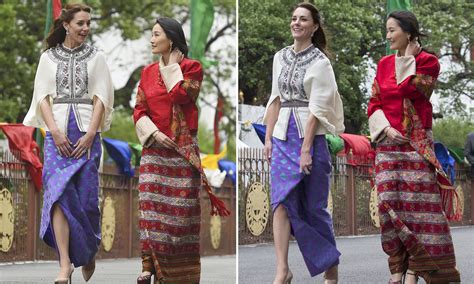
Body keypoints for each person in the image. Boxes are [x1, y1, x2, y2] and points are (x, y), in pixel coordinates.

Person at [23, 3, 114, 284]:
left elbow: (102, 97)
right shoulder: (47, 58)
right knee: (58, 198)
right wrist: (54, 131)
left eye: (88, 23)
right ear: (66, 25)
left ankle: (87, 252)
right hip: (57, 135)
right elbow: (41, 98)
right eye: (80, 24)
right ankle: (65, 264)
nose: (86, 28)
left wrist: (90, 134)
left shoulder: (97, 57)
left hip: (87, 132)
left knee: (86, 200)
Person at [367, 10, 461, 284]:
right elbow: (374, 102)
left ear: (408, 32)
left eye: (392, 30)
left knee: (419, 209)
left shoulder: (429, 62)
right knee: (387, 205)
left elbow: (412, 90)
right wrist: (385, 129)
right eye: (386, 30)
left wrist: (408, 59)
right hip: (387, 144)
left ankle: (414, 270)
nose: (387, 36)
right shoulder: (383, 64)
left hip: (416, 145)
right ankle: (397, 266)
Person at [133, 17, 229, 284]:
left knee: (180, 217)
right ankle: (148, 266)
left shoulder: (192, 68)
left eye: (156, 34)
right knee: (149, 208)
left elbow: (181, 96)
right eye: (151, 35)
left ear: (171, 39)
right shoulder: (147, 72)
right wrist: (154, 134)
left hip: (182, 151)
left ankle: (177, 275)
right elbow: (139, 110)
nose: (151, 39)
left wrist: (173, 68)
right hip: (155, 149)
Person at [263, 3, 344, 284]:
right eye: (294, 18)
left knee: (314, 207)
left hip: (312, 139)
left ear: (314, 26)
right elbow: (275, 99)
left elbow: (318, 110)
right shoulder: (279, 57)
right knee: (281, 202)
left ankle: (329, 267)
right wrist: (269, 138)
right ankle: (282, 270)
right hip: (283, 138)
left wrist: (306, 149)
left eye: (303, 19)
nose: (296, 23)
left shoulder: (321, 62)